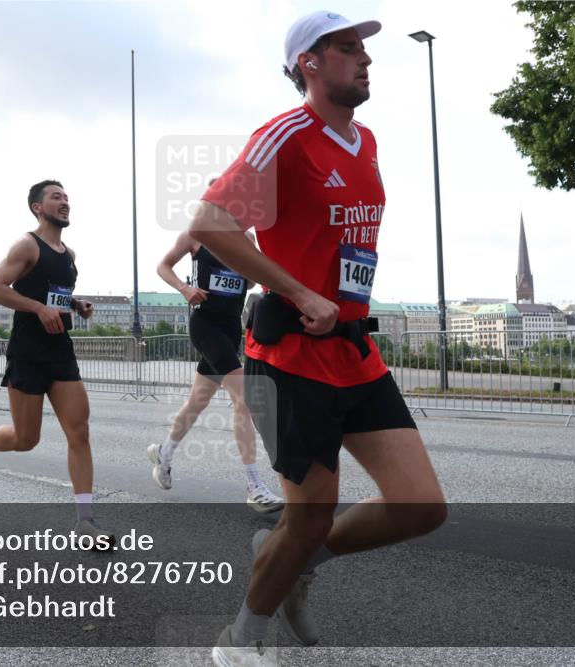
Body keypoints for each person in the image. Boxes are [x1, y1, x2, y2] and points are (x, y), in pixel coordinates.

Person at [191, 13, 447, 665]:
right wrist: (300, 292)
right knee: (309, 512)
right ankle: (238, 644)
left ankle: (300, 559)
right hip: (290, 356)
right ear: (309, 62)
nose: (365, 60)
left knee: (420, 505)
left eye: (364, 50)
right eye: (347, 49)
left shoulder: (367, 143)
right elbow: (211, 224)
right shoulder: (284, 136)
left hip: (356, 353)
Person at [0, 180, 110, 540]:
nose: (65, 202)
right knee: (27, 439)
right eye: (56, 197)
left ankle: (85, 522)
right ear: (37, 208)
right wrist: (38, 308)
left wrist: (76, 305)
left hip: (60, 351)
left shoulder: (69, 255)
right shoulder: (27, 245)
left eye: (67, 197)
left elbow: (54, 295)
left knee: (80, 430)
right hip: (27, 351)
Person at [147, 220, 284, 512]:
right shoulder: (196, 233)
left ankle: (164, 453)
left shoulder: (247, 238)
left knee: (197, 401)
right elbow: (163, 266)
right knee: (244, 398)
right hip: (205, 325)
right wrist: (185, 289)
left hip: (231, 327)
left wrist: (247, 266)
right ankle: (254, 487)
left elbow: (249, 281)